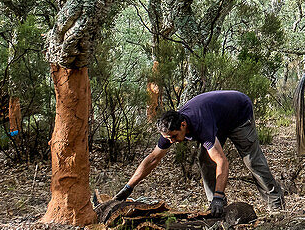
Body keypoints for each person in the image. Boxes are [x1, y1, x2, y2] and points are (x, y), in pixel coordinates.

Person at [113, 90, 284, 216]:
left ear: (183, 125)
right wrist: (128, 188)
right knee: (205, 159)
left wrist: (219, 194)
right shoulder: (170, 129)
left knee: (251, 160)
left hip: (238, 113)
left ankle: (276, 205)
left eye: (173, 137)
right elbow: (153, 159)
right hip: (217, 119)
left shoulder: (200, 124)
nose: (171, 141)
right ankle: (217, 207)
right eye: (168, 138)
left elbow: (222, 162)